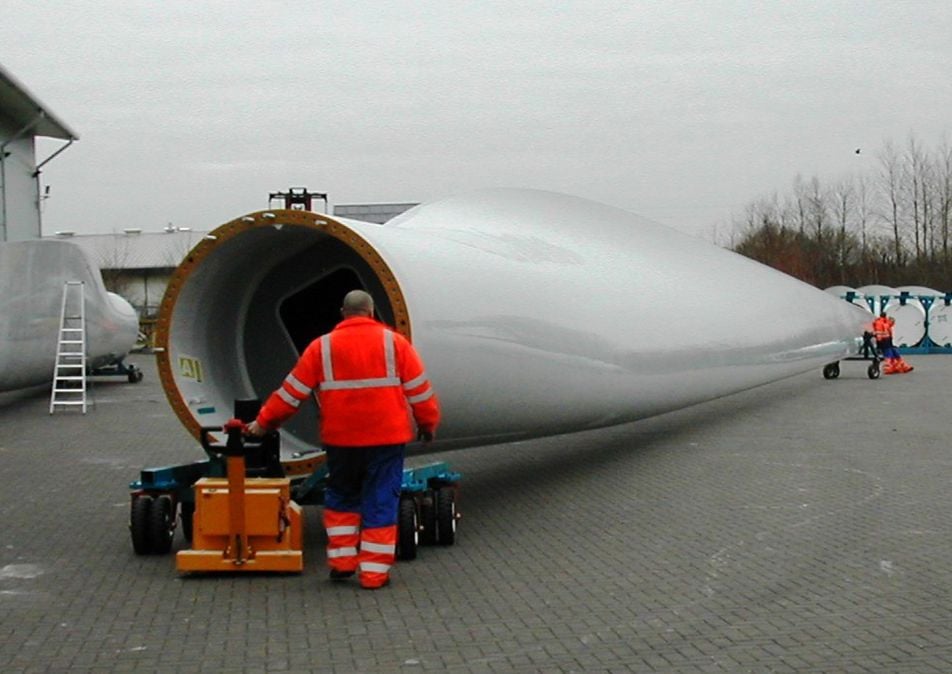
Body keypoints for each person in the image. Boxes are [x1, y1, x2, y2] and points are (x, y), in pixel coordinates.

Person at [246, 289, 440, 589]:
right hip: (386, 439)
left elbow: (290, 393)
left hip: (341, 440)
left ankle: (341, 562)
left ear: (342, 312)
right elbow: (420, 392)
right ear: (371, 311)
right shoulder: (395, 345)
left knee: (341, 496)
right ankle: (374, 574)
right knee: (380, 499)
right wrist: (428, 425)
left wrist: (262, 424)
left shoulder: (321, 348)